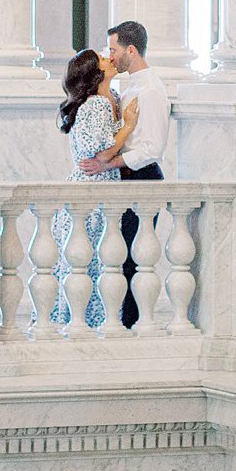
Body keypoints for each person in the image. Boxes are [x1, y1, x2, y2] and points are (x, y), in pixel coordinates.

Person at [75, 19, 170, 328]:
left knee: (132, 259)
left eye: (113, 49)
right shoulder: (130, 86)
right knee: (116, 256)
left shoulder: (152, 90)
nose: (110, 56)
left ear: (131, 49)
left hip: (141, 177)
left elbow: (151, 150)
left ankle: (131, 327)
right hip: (123, 176)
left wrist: (107, 164)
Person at [51, 47, 136, 329]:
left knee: (98, 259)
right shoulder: (95, 104)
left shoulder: (112, 98)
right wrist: (130, 126)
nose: (109, 58)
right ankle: (83, 322)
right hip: (91, 189)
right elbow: (100, 153)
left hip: (102, 186)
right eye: (102, 58)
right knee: (88, 259)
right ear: (95, 72)